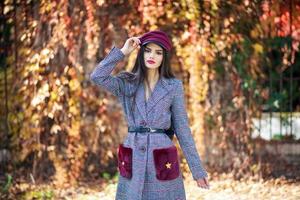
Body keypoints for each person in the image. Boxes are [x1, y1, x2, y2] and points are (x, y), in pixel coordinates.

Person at [90, 30, 209, 200]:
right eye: (148, 50)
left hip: (161, 157)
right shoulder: (127, 83)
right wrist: (123, 52)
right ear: (141, 53)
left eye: (158, 52)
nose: (152, 55)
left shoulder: (173, 87)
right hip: (133, 152)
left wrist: (197, 170)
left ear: (164, 57)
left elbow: (182, 129)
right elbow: (97, 76)